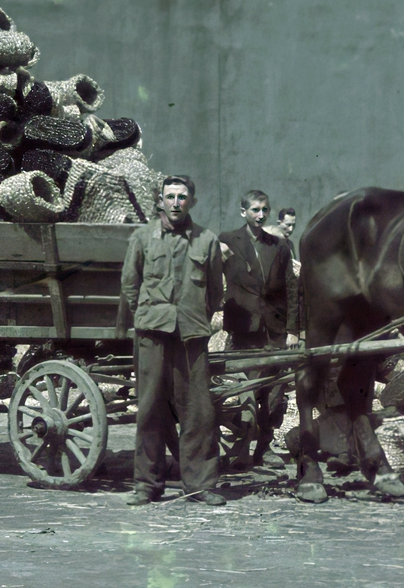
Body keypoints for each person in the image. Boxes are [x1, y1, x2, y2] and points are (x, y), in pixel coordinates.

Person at [119, 175, 227, 506]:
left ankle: (199, 484)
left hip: (191, 336)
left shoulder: (206, 240)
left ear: (191, 201)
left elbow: (214, 292)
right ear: (160, 201)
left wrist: (193, 318)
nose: (176, 202)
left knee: (198, 411)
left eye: (182, 196)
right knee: (149, 407)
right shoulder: (142, 238)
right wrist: (148, 317)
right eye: (170, 196)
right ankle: (147, 484)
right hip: (152, 334)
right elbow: (130, 285)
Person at [218, 190, 300, 468]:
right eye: (255, 210)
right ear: (243, 212)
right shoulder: (227, 240)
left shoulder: (279, 245)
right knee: (247, 395)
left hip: (274, 331)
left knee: (274, 396)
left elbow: (291, 288)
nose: (261, 215)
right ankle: (241, 449)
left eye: (265, 209)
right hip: (245, 330)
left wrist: (293, 330)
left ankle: (264, 448)